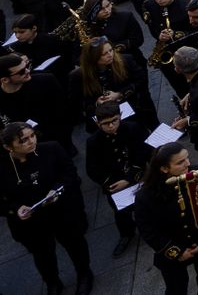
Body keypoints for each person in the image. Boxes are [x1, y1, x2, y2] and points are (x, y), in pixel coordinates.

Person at [0, 120, 93, 295]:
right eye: (23, 141)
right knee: (42, 256)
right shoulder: (2, 168)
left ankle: (84, 274)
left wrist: (56, 189)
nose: (31, 142)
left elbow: (69, 173)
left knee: (75, 244)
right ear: (8, 147)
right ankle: (53, 282)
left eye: (32, 136)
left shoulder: (51, 149)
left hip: (60, 212)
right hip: (31, 223)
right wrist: (15, 208)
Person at [134, 142, 198, 295]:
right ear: (164, 168)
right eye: (180, 162)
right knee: (176, 288)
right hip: (173, 248)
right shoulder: (146, 197)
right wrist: (177, 252)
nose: (188, 164)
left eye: (187, 158)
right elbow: (148, 231)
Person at [84, 99, 152, 258]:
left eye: (114, 121)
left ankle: (151, 226)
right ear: (97, 122)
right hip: (114, 182)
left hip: (138, 176)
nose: (111, 126)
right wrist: (108, 183)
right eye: (105, 123)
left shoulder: (133, 128)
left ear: (120, 116)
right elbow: (92, 169)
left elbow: (143, 153)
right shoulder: (93, 142)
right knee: (121, 212)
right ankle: (127, 234)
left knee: (146, 203)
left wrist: (129, 179)